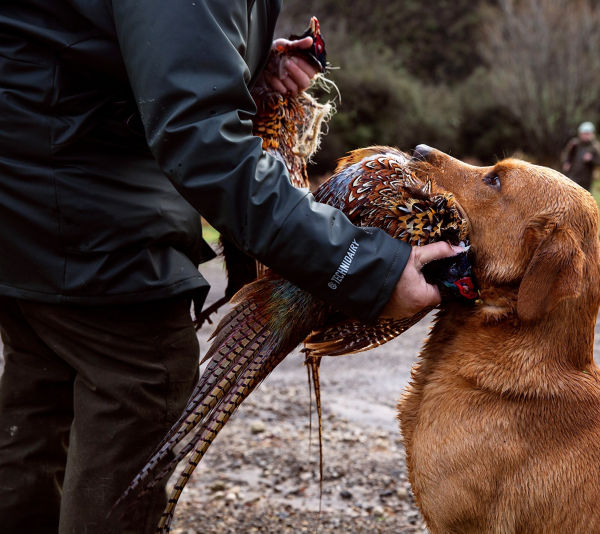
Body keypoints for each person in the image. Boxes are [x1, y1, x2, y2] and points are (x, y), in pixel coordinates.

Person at [0, 2, 457, 533]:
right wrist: (368, 269)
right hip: (73, 194)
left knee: (42, 388)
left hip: (26, 188)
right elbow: (201, 138)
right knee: (143, 374)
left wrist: (242, 63)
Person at [561, 122, 600, 192]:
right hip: (572, 176)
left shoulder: (595, 147)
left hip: (586, 180)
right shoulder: (574, 144)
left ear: (592, 134)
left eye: (587, 134)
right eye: (583, 134)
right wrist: (566, 162)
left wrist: (591, 159)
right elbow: (566, 155)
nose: (585, 136)